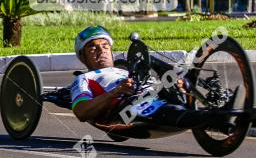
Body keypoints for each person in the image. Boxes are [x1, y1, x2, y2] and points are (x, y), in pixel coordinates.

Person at [70, 25, 238, 130]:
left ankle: (224, 105)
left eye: (105, 46)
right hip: (130, 104)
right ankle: (217, 117)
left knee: (170, 75)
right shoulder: (84, 79)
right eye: (92, 48)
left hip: (156, 91)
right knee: (169, 110)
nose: (101, 51)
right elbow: (81, 111)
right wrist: (115, 92)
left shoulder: (122, 69)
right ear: (83, 57)